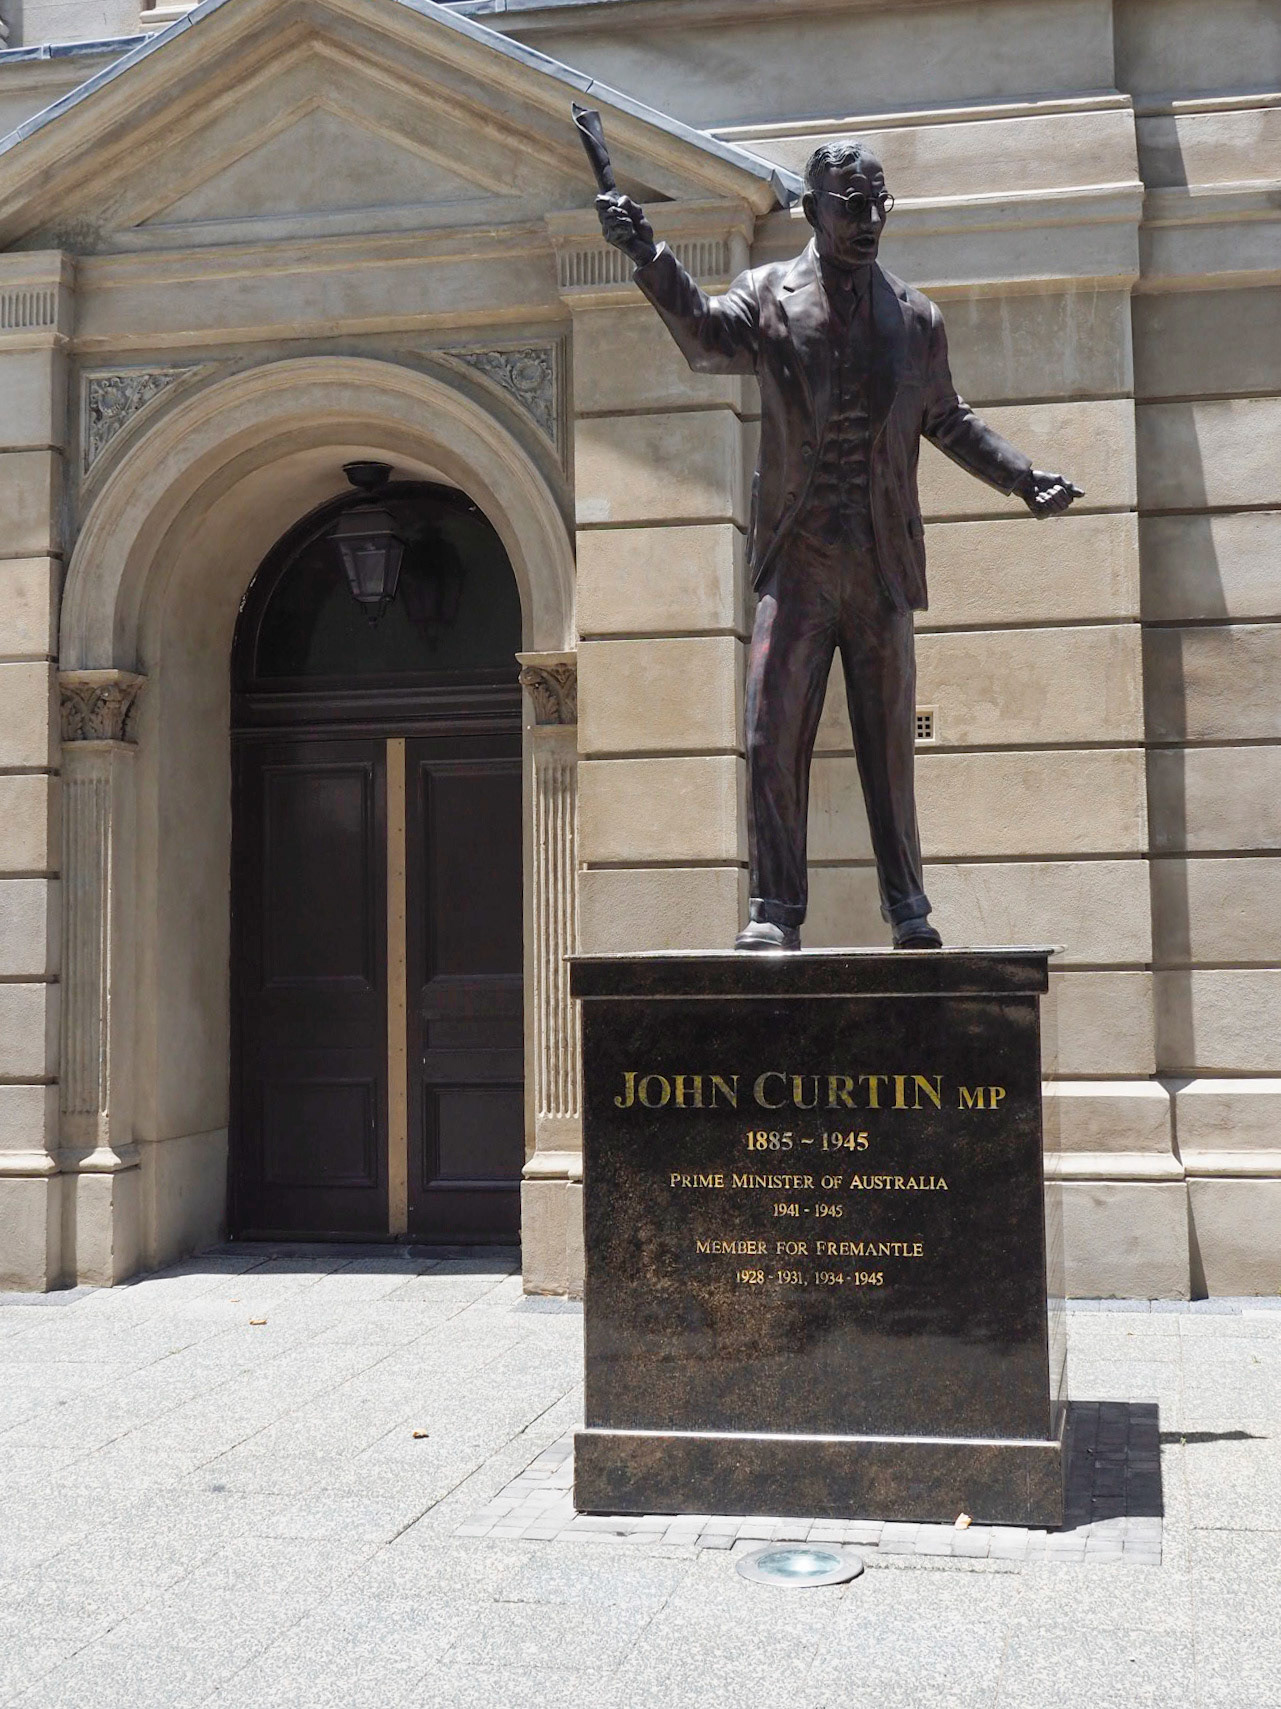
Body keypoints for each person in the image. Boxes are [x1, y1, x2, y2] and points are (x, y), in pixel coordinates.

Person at [595, 142, 1082, 951]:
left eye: (877, 205)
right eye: (850, 206)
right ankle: (775, 910)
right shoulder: (767, 294)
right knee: (768, 731)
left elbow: (947, 418)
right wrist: (648, 254)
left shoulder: (916, 316)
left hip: (880, 564)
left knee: (887, 747)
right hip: (800, 559)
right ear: (812, 210)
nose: (866, 221)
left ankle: (908, 908)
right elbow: (709, 338)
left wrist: (1021, 477)